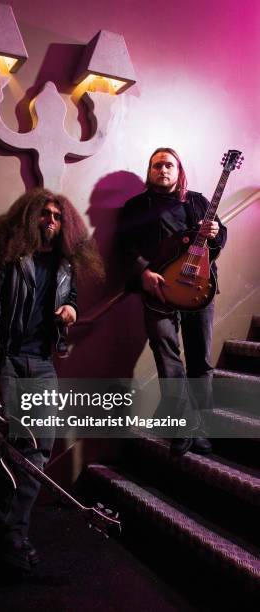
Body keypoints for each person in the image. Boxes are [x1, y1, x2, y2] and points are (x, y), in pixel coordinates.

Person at [0, 187, 103, 571]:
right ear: (30, 217)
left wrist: (71, 310)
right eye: (44, 214)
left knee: (38, 451)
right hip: (8, 362)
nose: (51, 221)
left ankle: (12, 535)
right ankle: (1, 533)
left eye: (58, 216)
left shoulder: (64, 264)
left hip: (42, 364)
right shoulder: (6, 255)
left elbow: (72, 295)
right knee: (3, 453)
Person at [120, 148, 227, 456]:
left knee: (200, 361)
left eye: (168, 165)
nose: (162, 170)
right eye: (157, 165)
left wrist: (217, 233)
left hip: (200, 289)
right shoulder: (135, 207)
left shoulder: (198, 201)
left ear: (178, 170)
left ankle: (201, 427)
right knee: (168, 360)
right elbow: (123, 245)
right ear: (149, 171)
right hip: (159, 291)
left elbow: (217, 243)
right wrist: (144, 272)